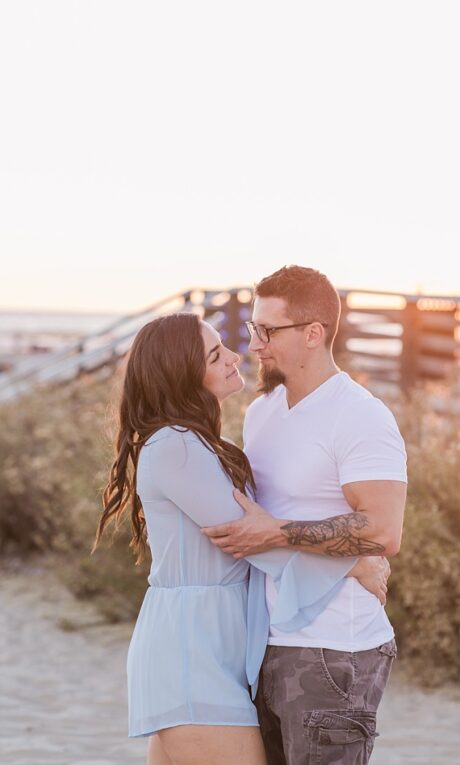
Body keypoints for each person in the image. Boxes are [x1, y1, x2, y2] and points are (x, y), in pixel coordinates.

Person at [94, 312, 388, 764]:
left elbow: (263, 533)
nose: (236, 357)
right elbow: (249, 538)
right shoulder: (175, 445)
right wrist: (355, 562)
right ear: (183, 376)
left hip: (212, 649)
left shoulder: (204, 441)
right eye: (216, 355)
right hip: (193, 654)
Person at [202, 265, 408, 764]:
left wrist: (279, 533)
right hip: (265, 643)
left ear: (314, 334)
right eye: (253, 329)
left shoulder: (360, 414)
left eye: (268, 331)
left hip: (336, 649)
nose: (255, 344)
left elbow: (383, 530)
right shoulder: (262, 411)